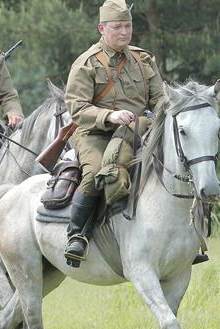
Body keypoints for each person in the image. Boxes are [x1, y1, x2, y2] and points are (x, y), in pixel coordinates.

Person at [63, 0, 164, 265]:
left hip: (138, 130)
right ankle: (77, 235)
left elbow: (160, 101)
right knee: (98, 169)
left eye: (127, 26)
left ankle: (184, 236)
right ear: (102, 28)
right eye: (117, 27)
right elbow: (76, 107)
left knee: (174, 164)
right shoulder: (86, 63)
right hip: (95, 133)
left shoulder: (143, 60)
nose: (124, 32)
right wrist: (109, 115)